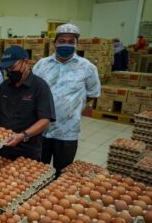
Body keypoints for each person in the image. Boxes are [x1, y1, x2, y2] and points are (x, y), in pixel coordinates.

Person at [32, 23, 101, 177]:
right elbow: (33, 91)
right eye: (62, 40)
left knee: (62, 174)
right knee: (36, 171)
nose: (66, 44)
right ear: (54, 43)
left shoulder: (87, 68)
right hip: (41, 130)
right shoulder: (41, 65)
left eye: (71, 41)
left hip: (68, 131)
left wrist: (71, 106)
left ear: (77, 44)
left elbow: (92, 93)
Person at [0, 46, 56, 161]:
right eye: (7, 69)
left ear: (25, 62)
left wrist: (23, 135)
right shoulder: (5, 86)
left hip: (27, 149)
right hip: (4, 146)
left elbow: (45, 120)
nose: (10, 72)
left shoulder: (40, 87)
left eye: (12, 67)